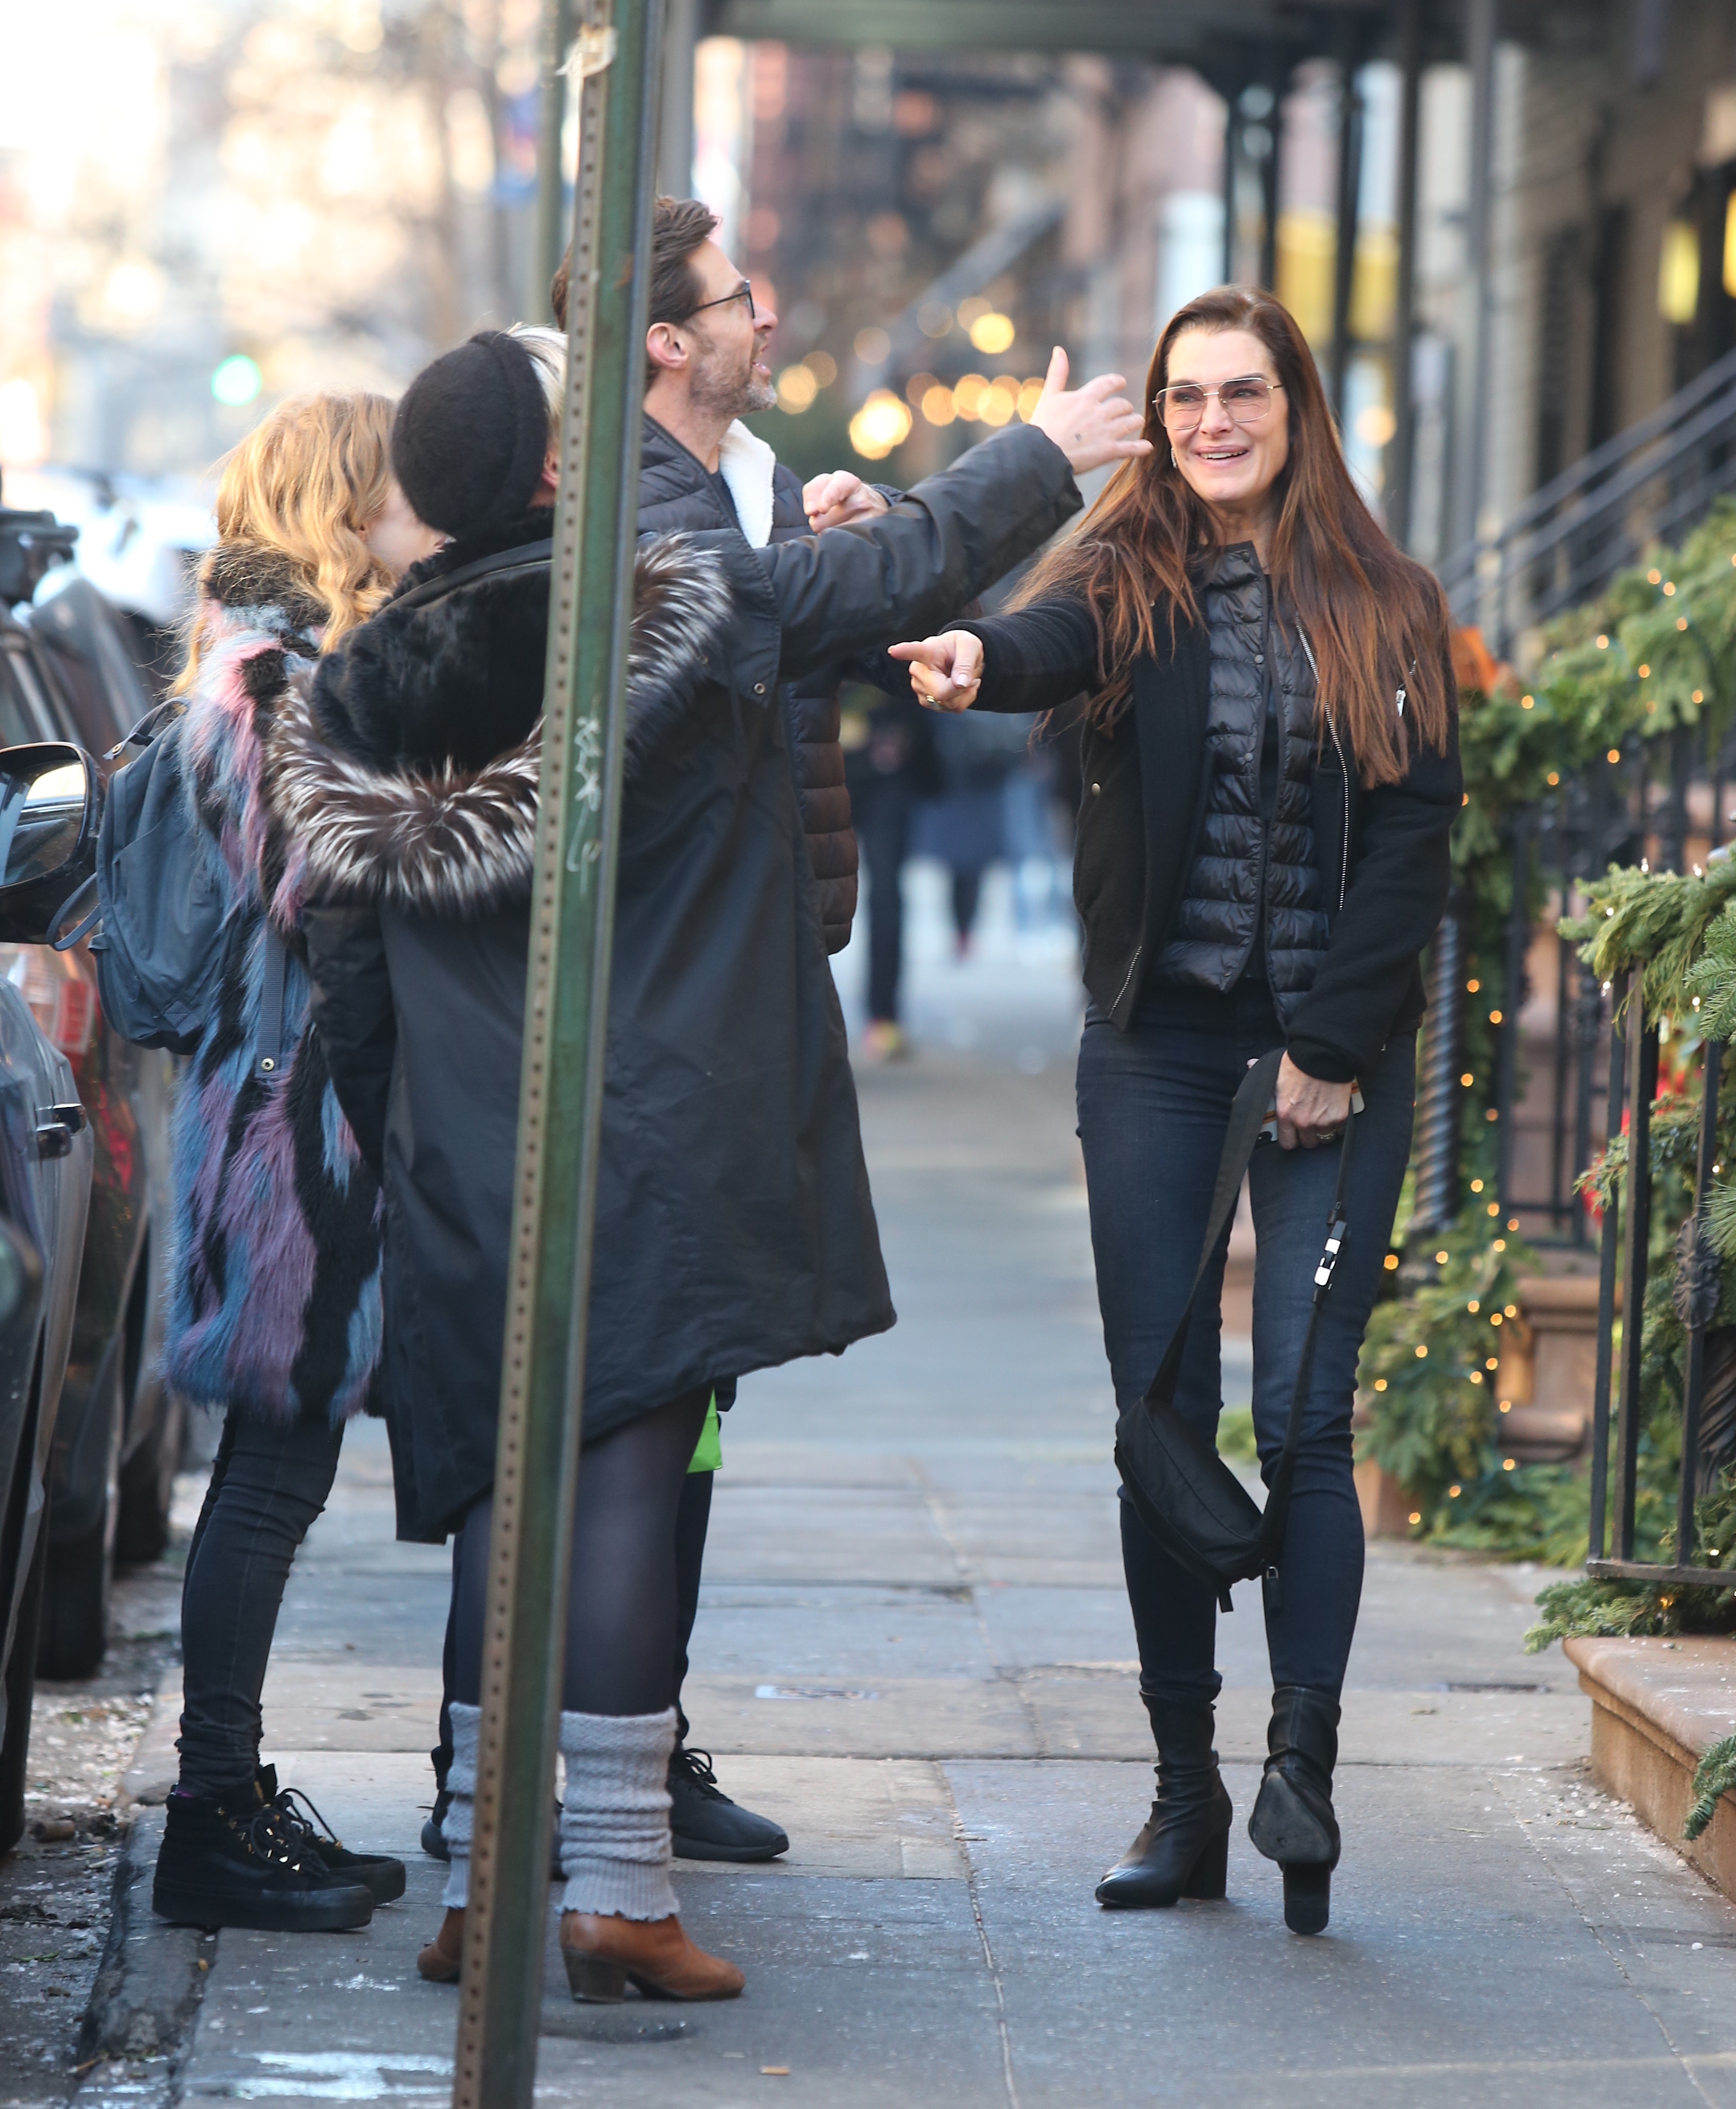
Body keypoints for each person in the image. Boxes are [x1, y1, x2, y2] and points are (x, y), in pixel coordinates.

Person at [281, 325, 1145, 1999]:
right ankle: (610, 1887)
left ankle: (478, 1885)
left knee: (490, 1501)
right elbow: (902, 566)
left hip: (465, 1154)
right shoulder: (670, 607)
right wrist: (1044, 448)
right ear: (555, 471)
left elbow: (349, 963)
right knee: (617, 1482)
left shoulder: (362, 688)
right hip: (659, 1133)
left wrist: (401, 1140)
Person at [890, 285, 1460, 1937]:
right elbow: (1033, 646)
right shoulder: (1127, 581)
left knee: (1302, 1416)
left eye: (1243, 394)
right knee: (1158, 1413)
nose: (1213, 421)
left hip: (1328, 1058)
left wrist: (1335, 1045)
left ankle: (1300, 1770)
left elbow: (1417, 837)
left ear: (1295, 408)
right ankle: (1182, 1793)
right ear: (1156, 415)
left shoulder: (1390, 603)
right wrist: (967, 652)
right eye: (1186, 396)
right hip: (1157, 1054)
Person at [547, 195, 897, 1859]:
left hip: (739, 997)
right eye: (741, 296)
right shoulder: (640, 508)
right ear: (672, 340)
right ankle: (586, 1800)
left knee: (684, 1412)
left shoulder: (727, 493)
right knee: (639, 1413)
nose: (773, 315)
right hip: (664, 1035)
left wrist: (810, 565)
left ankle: (635, 1753)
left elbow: (776, 718)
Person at [149, 393, 444, 1934]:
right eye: (397, 484)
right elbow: (328, 887)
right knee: (270, 1475)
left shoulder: (271, 668)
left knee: (286, 1469)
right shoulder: (277, 684)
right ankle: (210, 1818)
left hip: (282, 1111)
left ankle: (234, 1793)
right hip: (290, 1129)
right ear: (343, 506)